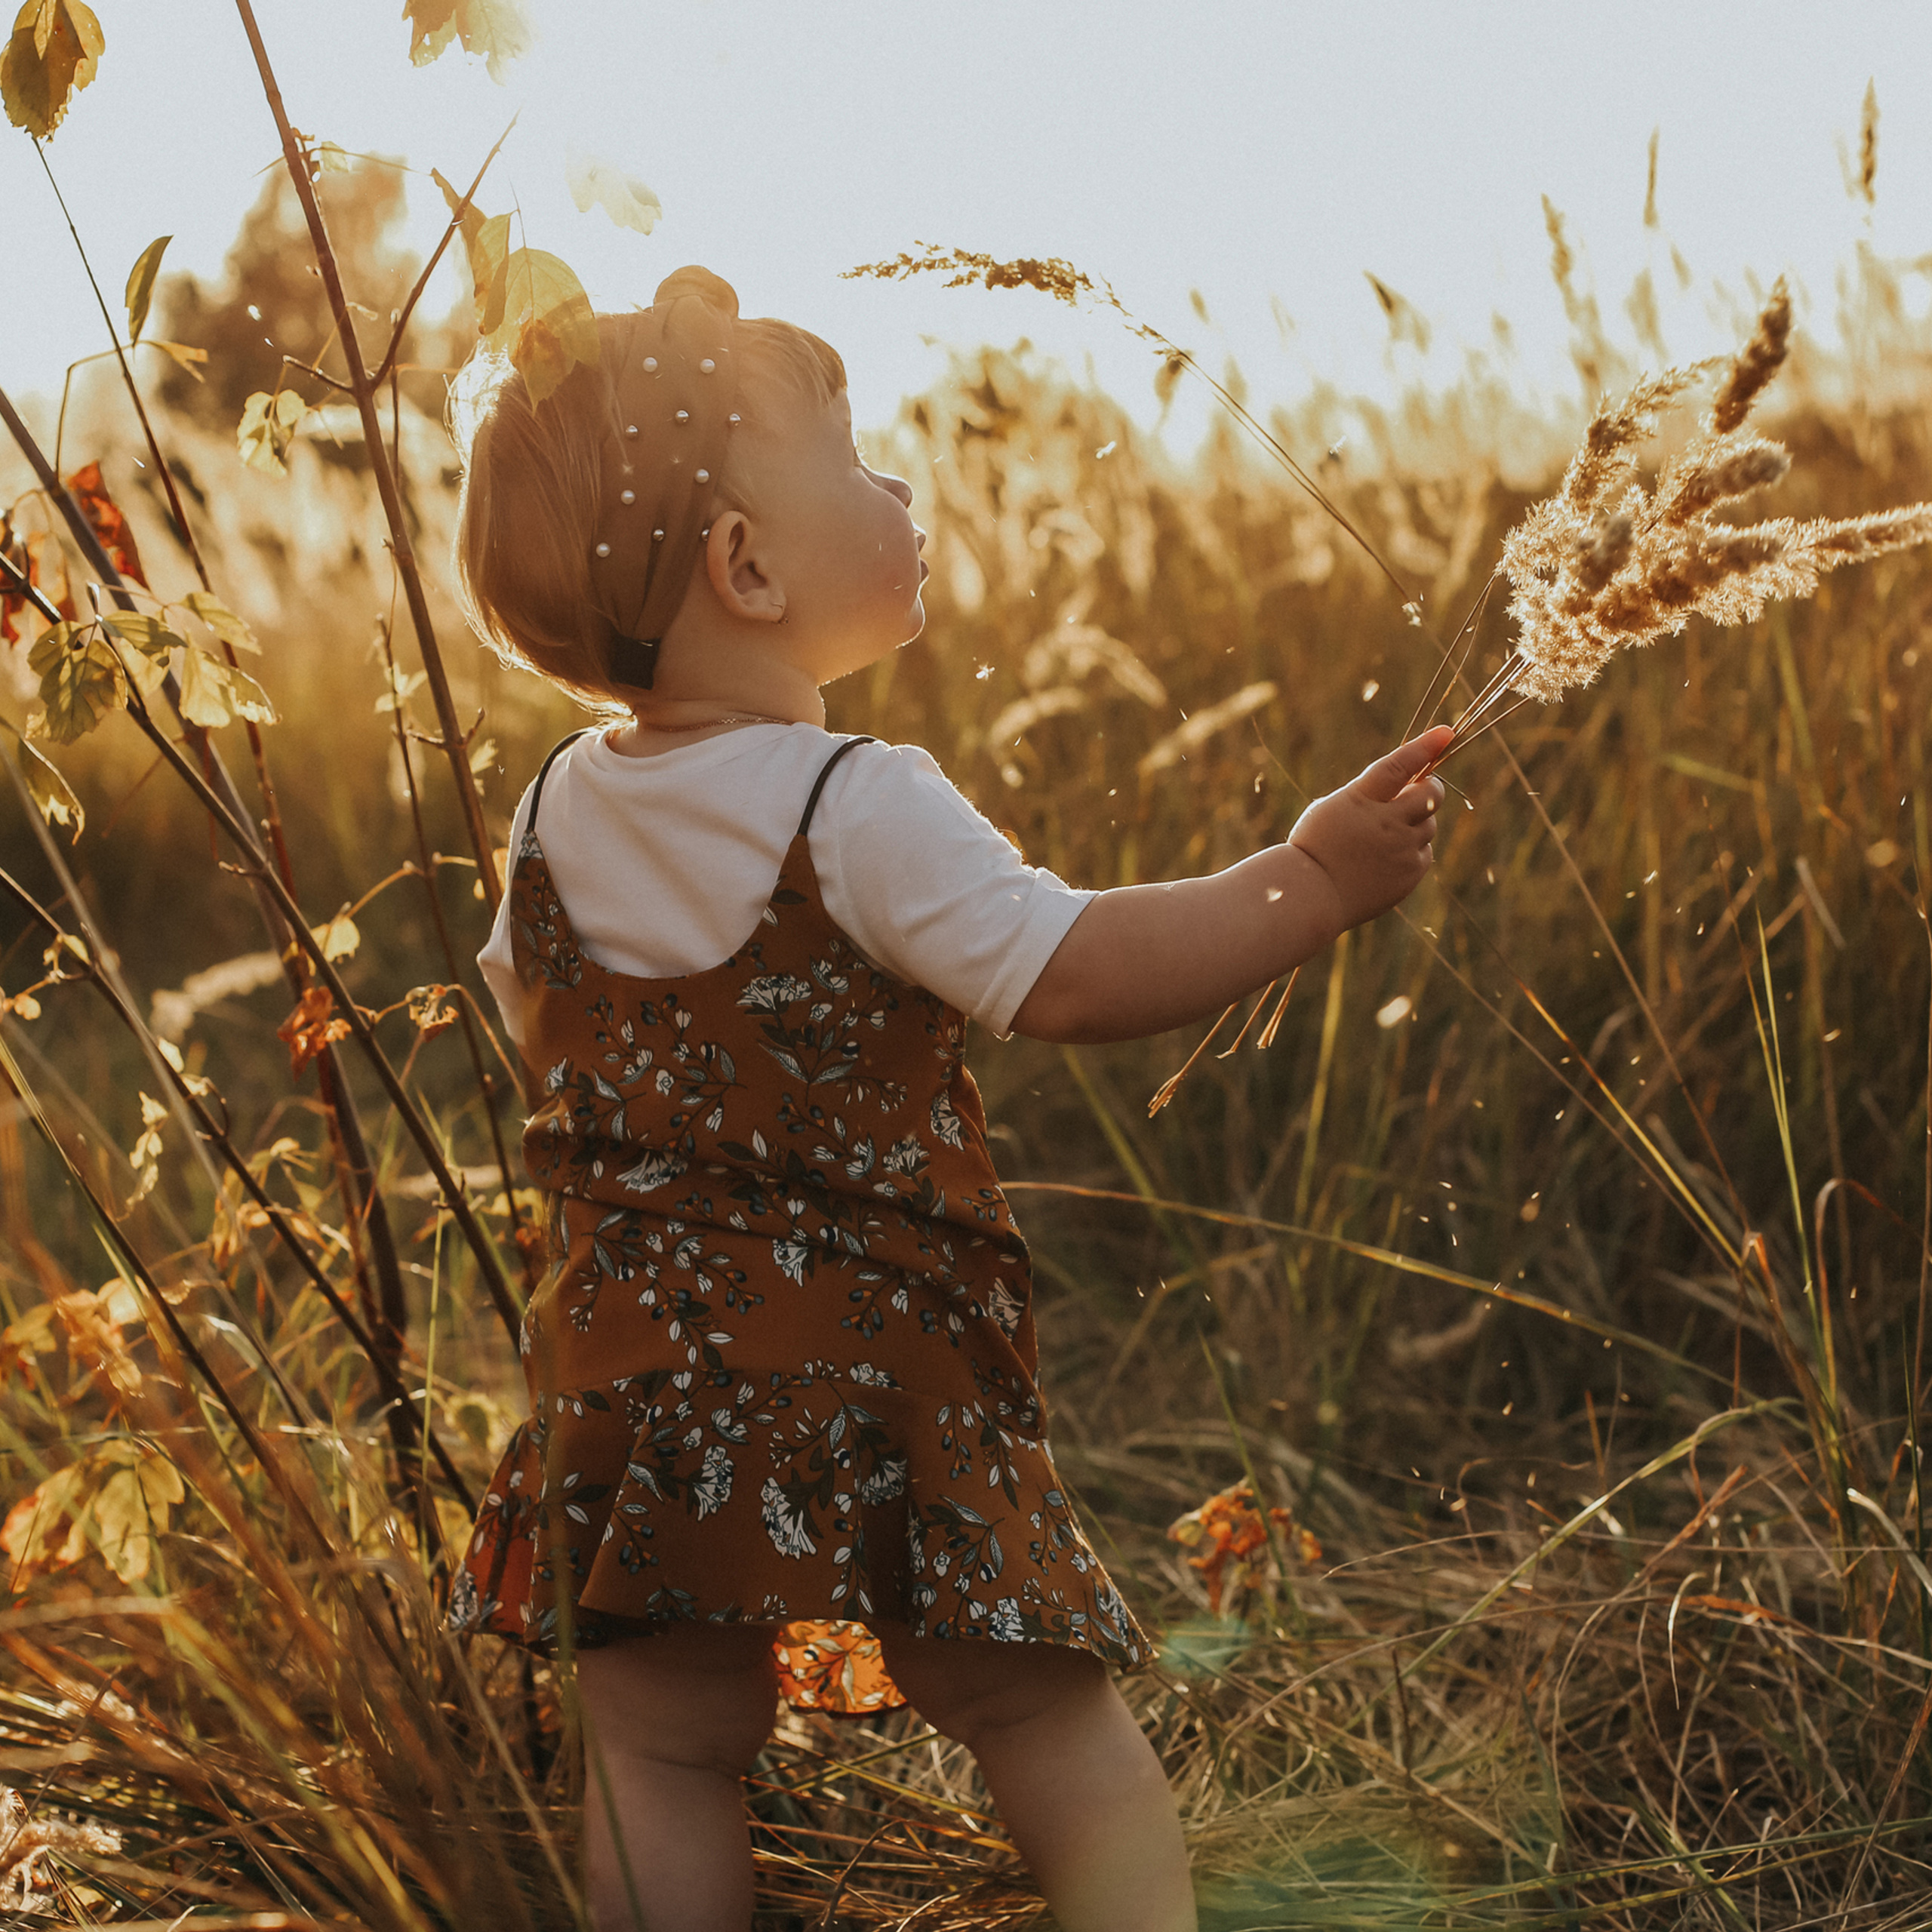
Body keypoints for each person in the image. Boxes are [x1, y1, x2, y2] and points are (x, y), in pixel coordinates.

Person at [447, 266, 1448, 1932]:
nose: (899, 489)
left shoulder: (553, 809)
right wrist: (1308, 879)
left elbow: (548, 1029)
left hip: (636, 1349)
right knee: (1030, 1704)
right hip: (878, 1353)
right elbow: (1074, 971)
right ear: (746, 567)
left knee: (661, 1741)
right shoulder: (855, 800)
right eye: (853, 462)